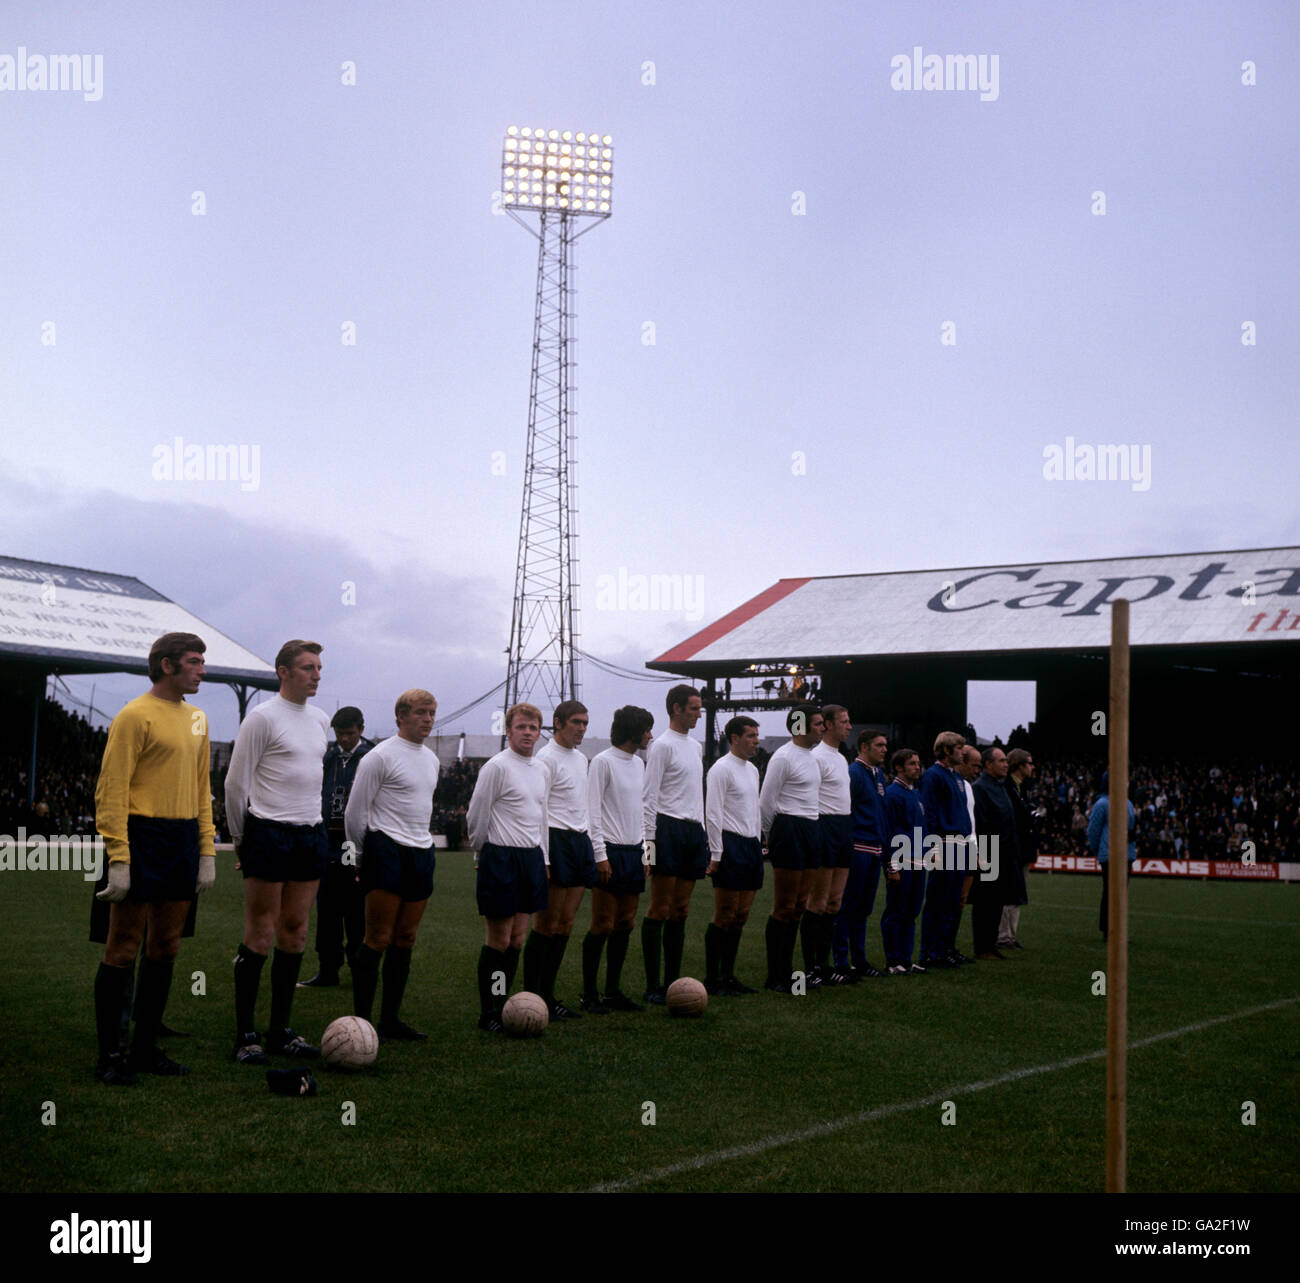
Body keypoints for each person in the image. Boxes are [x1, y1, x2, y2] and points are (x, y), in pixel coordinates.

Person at [92, 632, 216, 1084]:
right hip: (141, 836)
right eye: (195, 661)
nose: (203, 669)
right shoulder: (133, 715)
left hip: (182, 838)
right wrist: (119, 858)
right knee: (122, 947)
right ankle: (110, 1055)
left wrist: (206, 849)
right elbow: (111, 788)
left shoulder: (200, 719)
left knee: (166, 946)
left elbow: (202, 789)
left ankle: (145, 1048)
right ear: (167, 665)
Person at [226, 640, 331, 1064]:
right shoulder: (262, 718)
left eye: (320, 667)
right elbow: (236, 783)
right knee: (261, 934)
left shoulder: (321, 720)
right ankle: (245, 1035)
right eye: (308, 667)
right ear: (283, 672)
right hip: (268, 832)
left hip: (310, 833)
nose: (317, 674)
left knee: (296, 932)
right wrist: (242, 837)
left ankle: (280, 1031)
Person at [344, 690, 440, 1039]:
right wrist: (358, 854)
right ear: (401, 716)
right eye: (420, 713)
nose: (428, 719)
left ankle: (390, 1020)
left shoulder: (431, 760)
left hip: (421, 851)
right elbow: (356, 811)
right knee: (378, 937)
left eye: (431, 713)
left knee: (406, 937)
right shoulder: (379, 756)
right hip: (385, 849)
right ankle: (361, 1022)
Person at [467, 702, 548, 1032]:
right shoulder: (497, 767)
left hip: (530, 858)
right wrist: (481, 854)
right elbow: (477, 815)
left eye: (533, 727)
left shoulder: (542, 768)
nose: (528, 733)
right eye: (521, 727)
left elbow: (541, 816)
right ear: (508, 730)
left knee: (517, 940)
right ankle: (489, 1011)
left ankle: (504, 1005)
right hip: (500, 856)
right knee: (498, 940)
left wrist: (543, 858)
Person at [524, 700, 595, 1020]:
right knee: (546, 924)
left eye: (585, 723)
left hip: (579, 841)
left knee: (566, 924)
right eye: (576, 722)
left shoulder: (582, 759)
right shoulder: (545, 759)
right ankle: (530, 996)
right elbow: (538, 809)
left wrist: (592, 844)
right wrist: (545, 856)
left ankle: (549, 995)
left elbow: (584, 805)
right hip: (555, 840)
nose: (581, 728)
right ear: (558, 723)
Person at [581, 706, 654, 1013]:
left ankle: (613, 991)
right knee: (602, 924)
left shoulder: (639, 764)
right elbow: (592, 811)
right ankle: (589, 994)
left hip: (634, 852)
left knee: (625, 923)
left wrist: (648, 854)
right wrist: (600, 855)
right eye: (647, 729)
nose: (651, 735)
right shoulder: (602, 762)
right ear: (633, 731)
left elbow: (643, 810)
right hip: (609, 851)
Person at [640, 685, 707, 1005]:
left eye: (700, 709)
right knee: (660, 908)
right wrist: (648, 848)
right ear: (677, 708)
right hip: (667, 829)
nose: (698, 714)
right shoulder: (661, 746)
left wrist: (704, 834)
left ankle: (673, 983)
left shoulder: (696, 746)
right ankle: (652, 984)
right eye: (694, 708)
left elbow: (697, 794)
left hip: (692, 832)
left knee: (681, 910)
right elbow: (649, 797)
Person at [301, 706, 372, 988]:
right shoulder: (327, 758)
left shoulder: (371, 758)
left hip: (354, 843)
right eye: (340, 734)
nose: (344, 739)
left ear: (361, 730)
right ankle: (327, 970)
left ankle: (358, 969)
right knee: (328, 910)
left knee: (355, 910)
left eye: (350, 734)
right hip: (326, 842)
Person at [758, 706, 824, 993]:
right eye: (818, 724)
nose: (823, 728)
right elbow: (766, 801)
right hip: (789, 828)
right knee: (784, 906)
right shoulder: (782, 757)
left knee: (799, 905)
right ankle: (776, 975)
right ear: (801, 726)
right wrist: (771, 837)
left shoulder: (812, 758)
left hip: (811, 827)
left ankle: (788, 973)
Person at [703, 716, 763, 996]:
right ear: (734, 738)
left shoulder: (752, 770)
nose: (756, 740)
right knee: (725, 914)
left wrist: (761, 841)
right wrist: (716, 852)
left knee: (741, 914)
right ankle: (712, 978)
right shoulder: (720, 769)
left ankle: (729, 976)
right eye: (750, 735)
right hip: (730, 844)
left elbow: (755, 809)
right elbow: (713, 814)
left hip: (750, 846)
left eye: (756, 735)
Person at [834, 728, 889, 979]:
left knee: (864, 908)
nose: (884, 750)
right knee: (848, 906)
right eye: (879, 745)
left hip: (875, 848)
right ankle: (840, 961)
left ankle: (860, 960)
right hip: (858, 848)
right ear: (864, 747)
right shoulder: (853, 773)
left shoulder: (879, 776)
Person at [807, 704, 854, 985]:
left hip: (844, 826)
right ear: (827, 724)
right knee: (818, 902)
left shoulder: (840, 757)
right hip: (824, 826)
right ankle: (811, 968)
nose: (849, 726)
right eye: (844, 722)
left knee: (835, 902)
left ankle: (826, 966)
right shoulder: (816, 757)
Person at [918, 731, 971, 969]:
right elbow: (928, 812)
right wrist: (932, 845)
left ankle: (944, 948)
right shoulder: (933, 775)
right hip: (944, 843)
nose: (963, 752)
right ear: (947, 750)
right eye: (959, 748)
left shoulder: (956, 777)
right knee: (938, 900)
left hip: (959, 843)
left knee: (951, 900)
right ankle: (930, 952)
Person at [970, 747, 1022, 960]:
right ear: (988, 764)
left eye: (1005, 761)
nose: (1005, 764)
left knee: (997, 902)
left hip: (1004, 853)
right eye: (1000, 761)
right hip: (989, 851)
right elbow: (981, 823)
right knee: (985, 902)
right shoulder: (980, 788)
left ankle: (991, 945)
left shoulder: (1000, 787)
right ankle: (982, 947)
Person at [881, 748, 927, 975]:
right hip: (902, 861)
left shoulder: (916, 794)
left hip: (919, 861)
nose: (917, 767)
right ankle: (892, 961)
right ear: (899, 767)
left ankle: (906, 959)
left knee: (912, 912)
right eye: (911, 763)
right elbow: (888, 832)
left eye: (918, 763)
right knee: (896, 911)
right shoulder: (892, 795)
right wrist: (891, 866)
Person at [1087, 771, 1136, 942]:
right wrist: (1100, 850)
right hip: (1111, 856)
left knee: (1121, 894)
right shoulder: (1102, 804)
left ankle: (1117, 929)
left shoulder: (1128, 803)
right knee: (1111, 893)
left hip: (1126, 855)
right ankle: (1108, 930)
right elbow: (1092, 831)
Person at [948, 745, 982, 966]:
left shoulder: (968, 786)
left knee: (961, 900)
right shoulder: (951, 783)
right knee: (948, 899)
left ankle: (950, 946)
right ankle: (941, 947)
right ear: (961, 761)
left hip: (971, 845)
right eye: (974, 765)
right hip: (953, 846)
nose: (977, 770)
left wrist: (977, 849)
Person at [999, 748, 1036, 949]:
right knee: (1010, 893)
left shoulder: (1021, 787)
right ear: (1020, 765)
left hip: (1021, 849)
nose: (1032, 767)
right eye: (1029, 763)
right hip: (1012, 848)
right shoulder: (1008, 787)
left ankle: (1010, 935)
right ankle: (1004, 936)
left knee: (1017, 894)